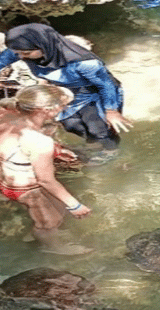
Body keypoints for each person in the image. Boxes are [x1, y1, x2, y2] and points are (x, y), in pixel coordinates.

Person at [0, 24, 132, 163]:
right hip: (62, 91)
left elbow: (106, 84)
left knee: (98, 127)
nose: (20, 57)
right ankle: (93, 145)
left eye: (25, 54)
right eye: (18, 53)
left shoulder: (84, 62)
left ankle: (111, 151)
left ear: (43, 46)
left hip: (94, 92)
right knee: (72, 125)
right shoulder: (21, 50)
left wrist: (111, 111)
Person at [0, 85, 92, 254]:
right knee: (50, 222)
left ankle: (37, 227)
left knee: (57, 208)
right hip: (26, 189)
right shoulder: (39, 142)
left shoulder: (6, 116)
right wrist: (75, 205)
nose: (64, 109)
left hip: (8, 178)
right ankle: (53, 247)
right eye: (62, 106)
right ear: (45, 110)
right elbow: (46, 180)